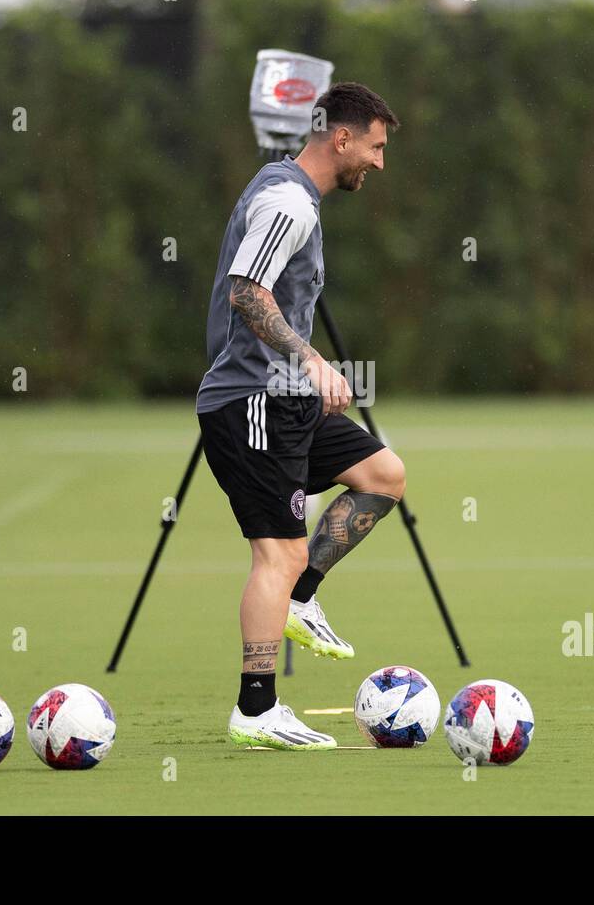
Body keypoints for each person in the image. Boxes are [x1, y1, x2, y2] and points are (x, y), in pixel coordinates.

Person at [197, 82, 407, 750]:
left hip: (285, 401)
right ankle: (256, 711)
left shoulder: (288, 190)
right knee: (278, 552)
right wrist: (309, 358)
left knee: (383, 474)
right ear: (340, 138)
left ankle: (299, 597)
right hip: (251, 400)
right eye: (374, 147)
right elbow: (246, 292)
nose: (379, 162)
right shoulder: (289, 203)